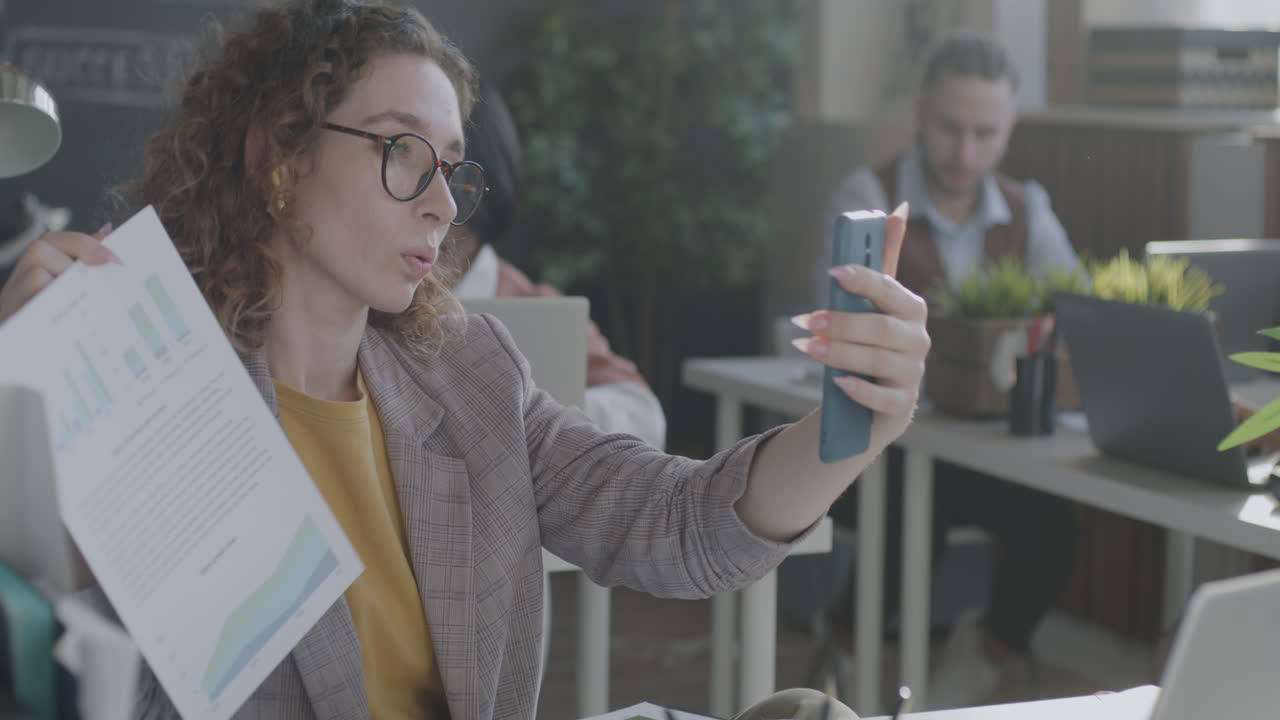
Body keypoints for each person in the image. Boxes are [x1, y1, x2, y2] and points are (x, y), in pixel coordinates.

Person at [0, 1, 930, 718]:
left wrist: (850, 424)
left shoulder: (472, 369)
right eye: (405, 152)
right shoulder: (143, 387)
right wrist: (15, 408)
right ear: (278, 155)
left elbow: (675, 525)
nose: (443, 205)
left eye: (452, 167)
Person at [815, 33, 1079, 710]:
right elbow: (834, 333)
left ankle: (980, 661)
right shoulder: (868, 200)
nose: (966, 153)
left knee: (1054, 526)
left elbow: (1075, 310)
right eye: (950, 129)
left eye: (985, 135)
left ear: (1009, 127)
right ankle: (844, 648)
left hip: (978, 452)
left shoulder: (1028, 209)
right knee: (911, 518)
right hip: (882, 449)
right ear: (921, 113)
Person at [442, 83, 667, 449]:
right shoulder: (365, 297)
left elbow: (643, 415)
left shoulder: (534, 308)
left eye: (458, 186)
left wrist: (541, 414)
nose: (435, 211)